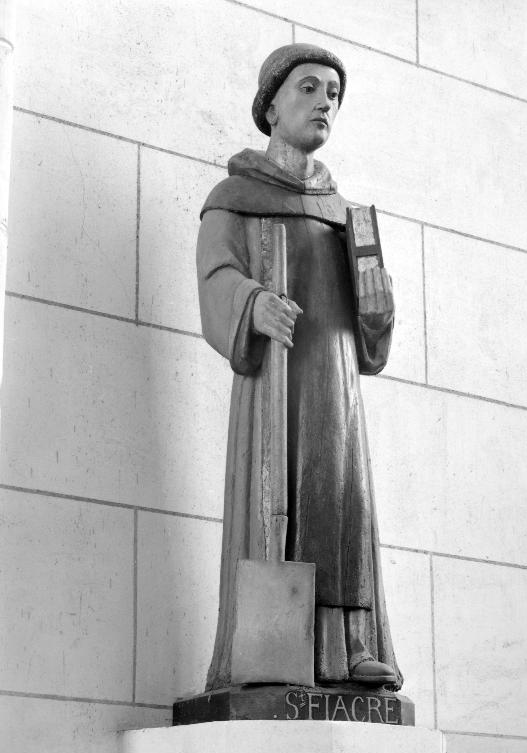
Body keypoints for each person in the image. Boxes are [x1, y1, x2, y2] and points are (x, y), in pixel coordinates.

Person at [197, 43, 402, 690]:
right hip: (277, 386)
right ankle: (272, 651)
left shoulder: (349, 219)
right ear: (270, 106)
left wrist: (379, 312)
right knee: (277, 504)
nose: (323, 103)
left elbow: (370, 341)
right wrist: (251, 303)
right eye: (308, 88)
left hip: (335, 388)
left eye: (333, 94)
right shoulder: (235, 196)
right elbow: (215, 274)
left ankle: (350, 648)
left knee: (339, 502)